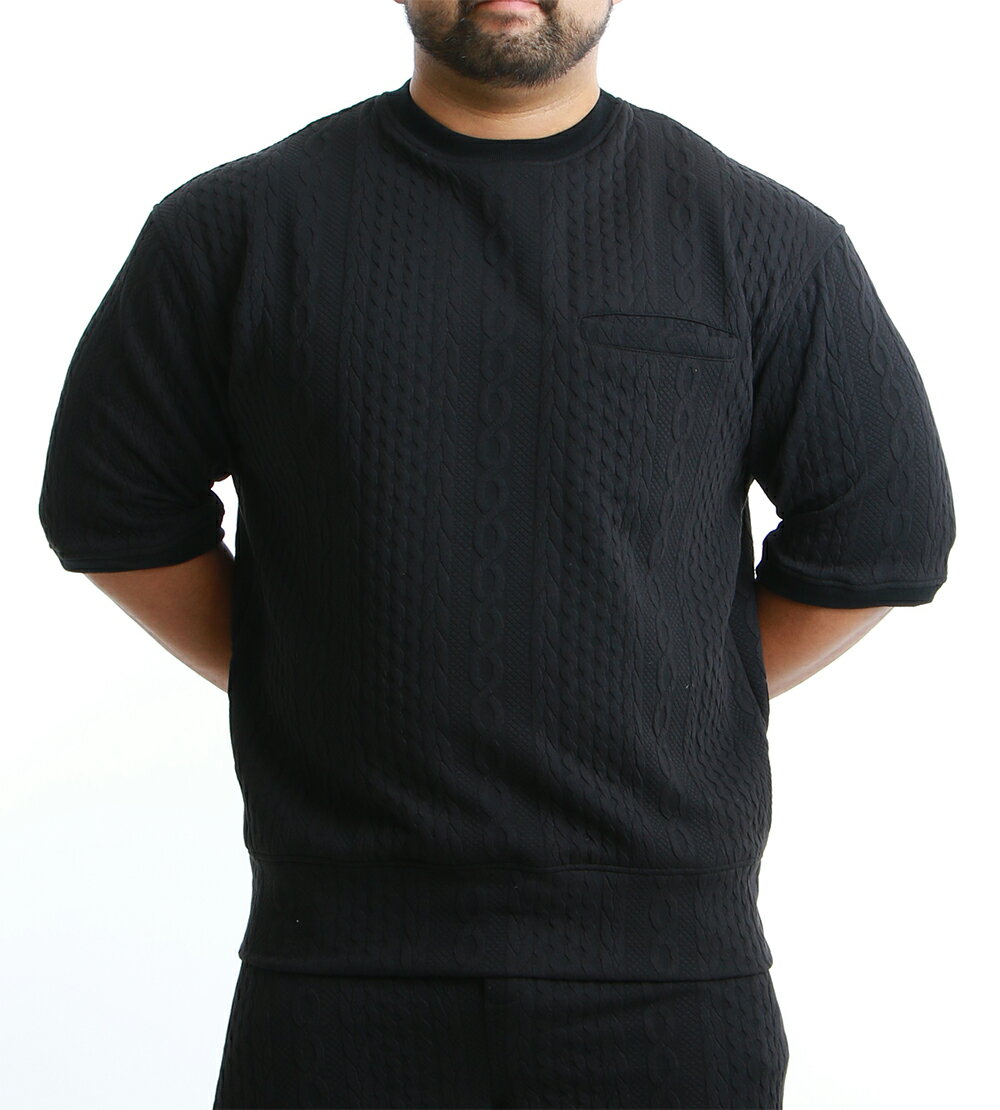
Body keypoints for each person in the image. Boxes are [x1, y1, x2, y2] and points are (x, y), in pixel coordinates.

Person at [37, 0, 957, 1106]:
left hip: (663, 976)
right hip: (338, 966)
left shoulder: (760, 237)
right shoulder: (236, 228)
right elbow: (112, 507)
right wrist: (312, 670)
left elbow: (882, 530)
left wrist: (671, 686)